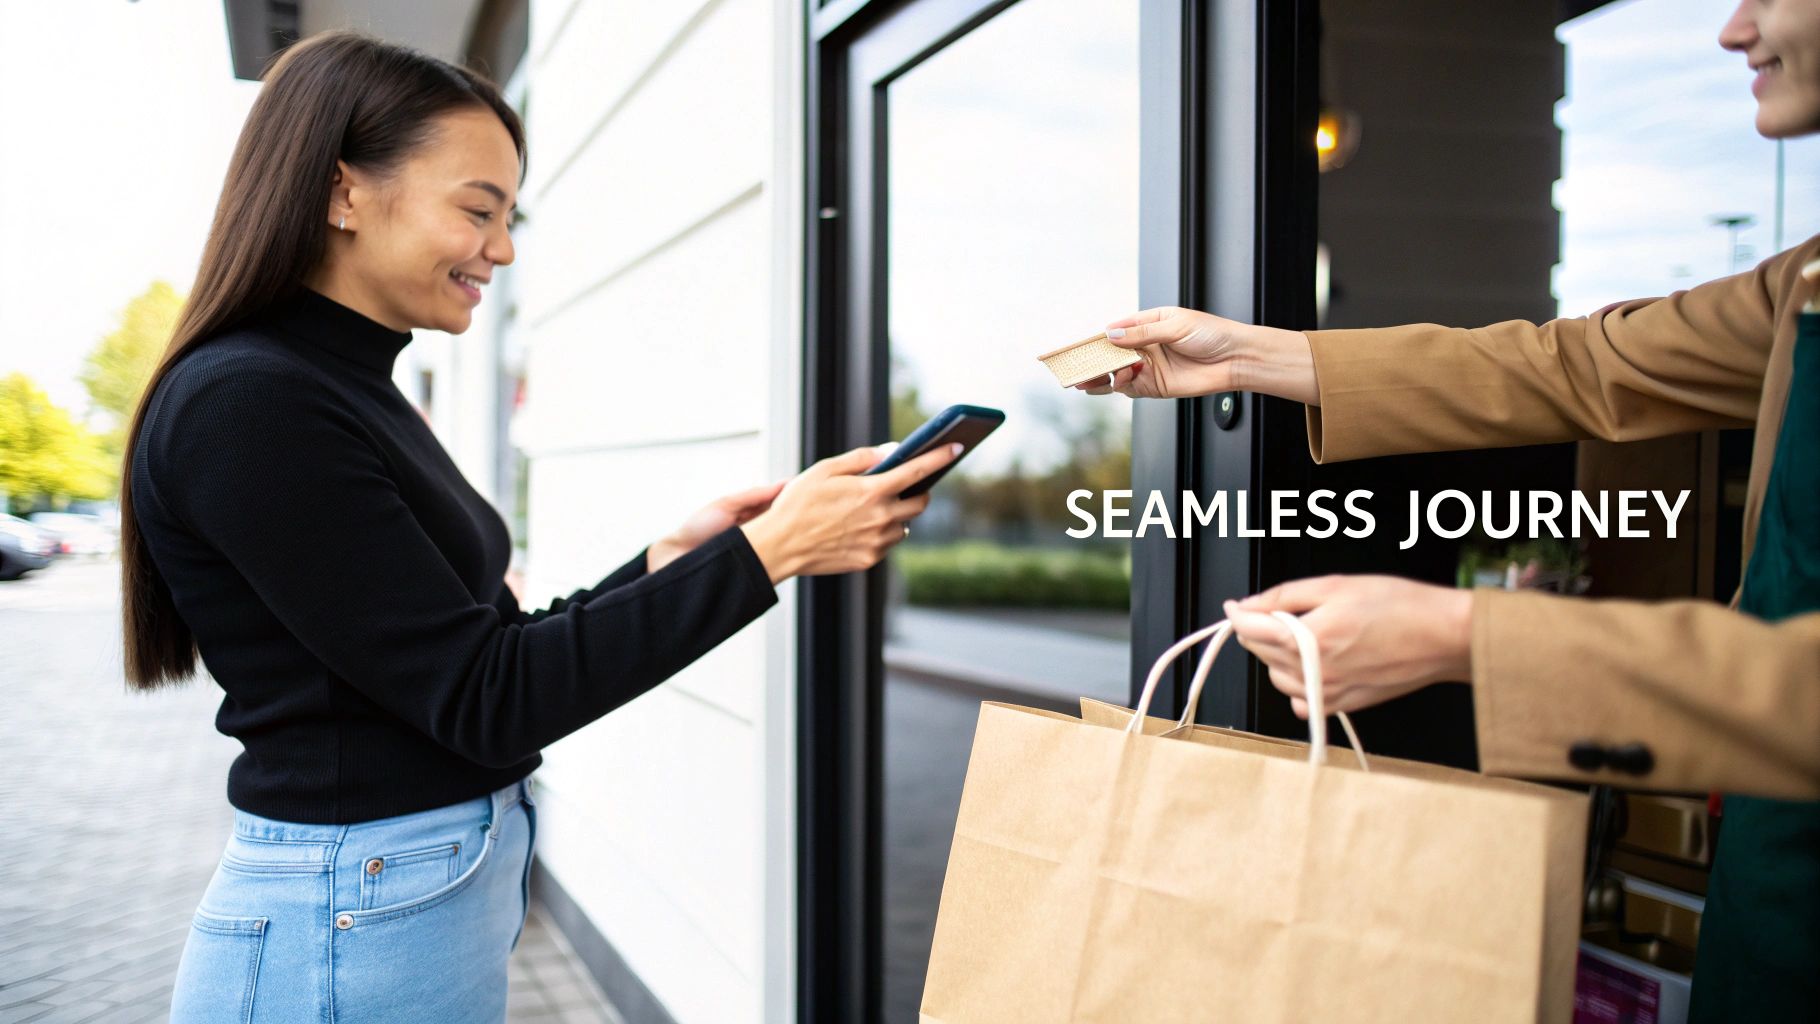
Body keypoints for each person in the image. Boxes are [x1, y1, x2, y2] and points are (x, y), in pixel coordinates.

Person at [123, 32, 956, 1022]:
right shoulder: (253, 403)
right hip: (348, 917)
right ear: (342, 192)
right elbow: (487, 699)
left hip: (387, 897)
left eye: (510, 216)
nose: (503, 250)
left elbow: (470, 654)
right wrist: (766, 553)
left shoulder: (336, 388)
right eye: (477, 210)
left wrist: (668, 561)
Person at [1078, 1, 1820, 1017]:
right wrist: (1247, 354)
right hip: (1771, 874)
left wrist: (1467, 636)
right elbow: (1577, 364)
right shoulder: (1804, 276)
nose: (1734, 30)